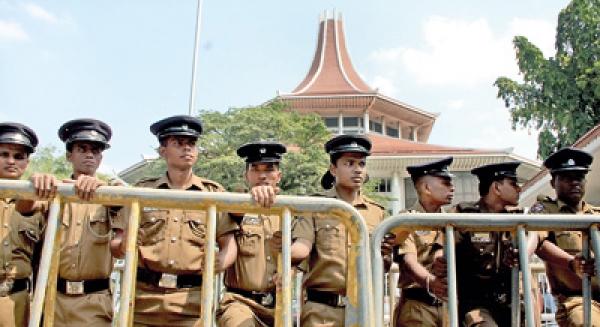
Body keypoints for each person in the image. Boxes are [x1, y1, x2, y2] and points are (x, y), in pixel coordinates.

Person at [110, 115, 240, 327]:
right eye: (178, 143)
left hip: (192, 303)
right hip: (143, 301)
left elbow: (229, 243)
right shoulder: (142, 192)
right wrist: (124, 245)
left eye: (191, 144)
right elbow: (116, 245)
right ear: (163, 151)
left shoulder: (212, 194)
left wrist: (220, 262)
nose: (186, 149)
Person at [272, 134, 395, 327]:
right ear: (333, 168)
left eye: (361, 164)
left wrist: (386, 257)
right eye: (349, 163)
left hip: (364, 310)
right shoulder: (317, 206)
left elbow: (384, 265)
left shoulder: (377, 212)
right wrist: (284, 250)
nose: (357, 170)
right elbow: (302, 247)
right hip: (322, 313)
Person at [18, 118, 117, 327]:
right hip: (54, 296)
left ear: (101, 158)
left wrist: (104, 191)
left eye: (96, 150)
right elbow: (24, 208)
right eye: (82, 148)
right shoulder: (55, 191)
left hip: (93, 301)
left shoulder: (112, 195)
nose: (89, 154)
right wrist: (33, 182)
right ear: (69, 155)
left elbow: (127, 227)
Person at [435, 161, 538, 327]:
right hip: (476, 304)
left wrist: (523, 253)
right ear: (496, 188)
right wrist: (440, 260)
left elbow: (534, 234)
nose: (519, 188)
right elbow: (442, 248)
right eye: (513, 184)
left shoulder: (518, 218)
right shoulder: (465, 215)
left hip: (509, 302)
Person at [216, 141, 287, 327]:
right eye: (255, 169)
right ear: (246, 176)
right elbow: (232, 214)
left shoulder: (289, 213)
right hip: (240, 302)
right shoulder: (235, 205)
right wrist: (251, 200)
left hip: (279, 305)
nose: (262, 175)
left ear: (278, 176)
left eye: (269, 169)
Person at [532, 147, 600, 327]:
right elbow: (538, 242)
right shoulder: (546, 211)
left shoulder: (596, 214)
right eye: (566, 178)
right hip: (577, 299)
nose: (574, 183)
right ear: (553, 182)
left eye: (579, 177)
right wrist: (572, 263)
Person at [393, 156, 454, 327]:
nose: (452, 188)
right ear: (427, 188)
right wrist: (431, 283)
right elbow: (408, 261)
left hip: (448, 306)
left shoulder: (452, 220)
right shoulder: (407, 219)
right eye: (445, 183)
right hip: (418, 307)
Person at [0, 122, 43, 327]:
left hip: (17, 298)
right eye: (4, 154)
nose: (11, 161)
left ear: (27, 163)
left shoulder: (38, 202)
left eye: (18, 157)